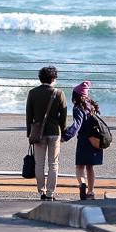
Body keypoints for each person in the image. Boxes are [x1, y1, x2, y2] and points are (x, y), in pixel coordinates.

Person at [25, 65, 68, 202]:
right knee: (53, 164)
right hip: (55, 132)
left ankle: (41, 191)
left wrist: (29, 133)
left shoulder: (32, 93)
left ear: (40, 78)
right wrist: (63, 131)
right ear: (53, 78)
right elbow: (64, 115)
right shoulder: (59, 93)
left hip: (38, 133)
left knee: (39, 164)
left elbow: (29, 115)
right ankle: (50, 193)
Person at [62, 81, 103, 201]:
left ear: (76, 96)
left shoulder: (78, 108)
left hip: (84, 141)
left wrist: (66, 137)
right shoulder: (92, 105)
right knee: (90, 168)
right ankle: (91, 192)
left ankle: (82, 184)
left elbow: (77, 125)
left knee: (80, 167)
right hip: (95, 140)